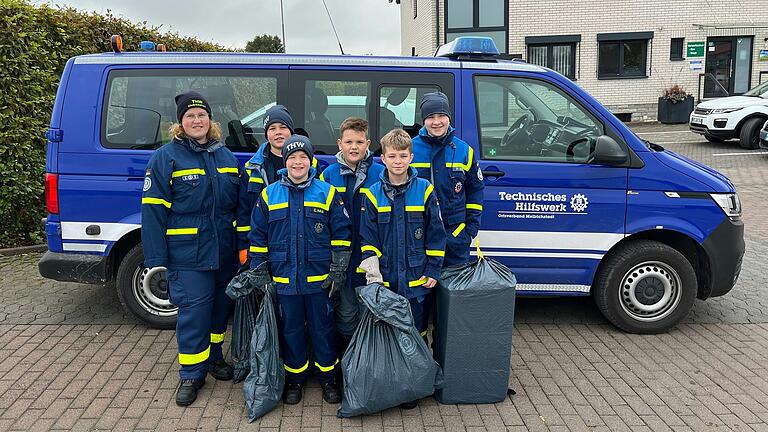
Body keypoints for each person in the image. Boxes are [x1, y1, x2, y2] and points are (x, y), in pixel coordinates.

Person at [141, 91, 239, 406]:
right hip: (188, 253)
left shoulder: (225, 156)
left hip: (223, 250)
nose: (197, 121)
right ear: (180, 124)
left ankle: (214, 358)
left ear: (210, 120)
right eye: (190, 116)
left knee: (219, 311)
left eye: (201, 115)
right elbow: (153, 211)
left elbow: (238, 207)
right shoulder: (166, 157)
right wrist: (156, 259)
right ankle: (191, 374)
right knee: (194, 314)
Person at [248, 134, 352, 405]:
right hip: (284, 281)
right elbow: (258, 237)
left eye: (302, 157)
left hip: (320, 282)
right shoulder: (269, 195)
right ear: (285, 161)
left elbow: (341, 234)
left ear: (310, 161)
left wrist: (339, 269)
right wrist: (259, 270)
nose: (297, 162)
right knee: (291, 330)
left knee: (323, 330)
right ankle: (296, 379)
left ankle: (329, 379)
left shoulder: (327, 192)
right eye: (292, 157)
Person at [358, 129, 446, 409]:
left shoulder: (425, 190)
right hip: (387, 281)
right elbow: (367, 239)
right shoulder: (371, 195)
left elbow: (436, 234)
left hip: (416, 278)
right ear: (382, 158)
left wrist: (433, 270)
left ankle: (414, 384)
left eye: (403, 155)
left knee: (418, 330)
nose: (398, 161)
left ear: (411, 157)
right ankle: (393, 383)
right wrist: (373, 275)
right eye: (392, 156)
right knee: (391, 330)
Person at [318, 117, 385, 351]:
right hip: (343, 259)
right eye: (348, 141)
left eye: (359, 141)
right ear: (339, 144)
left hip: (372, 257)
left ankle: (367, 361)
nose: (353, 147)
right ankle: (349, 362)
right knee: (346, 313)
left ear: (368, 144)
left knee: (371, 311)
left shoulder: (380, 173)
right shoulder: (328, 175)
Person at [235, 105, 316, 267]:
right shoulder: (252, 167)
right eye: (272, 128)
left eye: (283, 127)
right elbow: (243, 211)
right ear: (266, 134)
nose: (278, 132)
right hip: (262, 242)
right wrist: (244, 247)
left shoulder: (310, 164)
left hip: (298, 242)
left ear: (291, 131)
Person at [411, 92, 484, 267]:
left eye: (441, 115)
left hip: (455, 236)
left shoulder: (464, 150)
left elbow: (475, 190)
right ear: (423, 120)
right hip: (419, 235)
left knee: (454, 291)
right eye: (430, 117)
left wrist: (470, 229)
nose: (437, 122)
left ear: (449, 117)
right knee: (422, 289)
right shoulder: (410, 149)